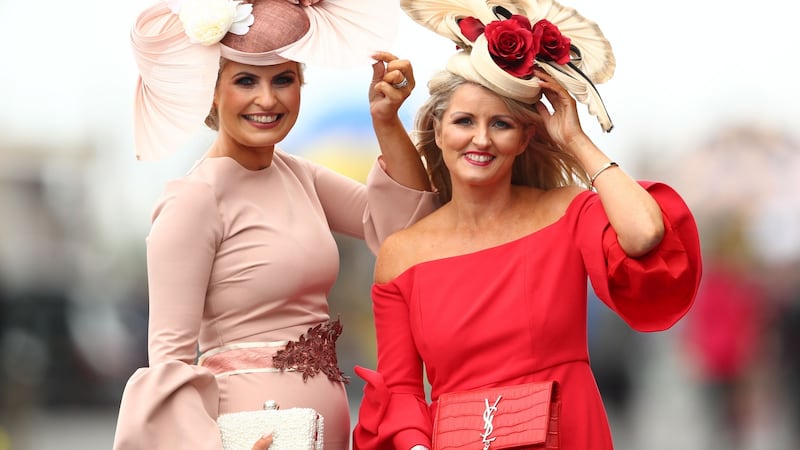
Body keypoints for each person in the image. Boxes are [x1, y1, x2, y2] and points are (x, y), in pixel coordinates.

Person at [351, 0, 703, 448]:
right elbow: (399, 388)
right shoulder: (400, 254)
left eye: (501, 124)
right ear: (438, 133)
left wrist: (575, 138)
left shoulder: (568, 212)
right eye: (464, 121)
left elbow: (645, 233)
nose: (481, 139)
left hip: (571, 434)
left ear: (525, 137)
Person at [112, 1, 437, 449]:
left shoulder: (301, 175)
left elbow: (406, 229)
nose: (268, 99)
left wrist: (386, 121)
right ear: (212, 89)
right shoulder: (194, 199)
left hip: (329, 430)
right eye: (246, 80)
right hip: (253, 436)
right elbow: (169, 360)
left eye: (283, 79)